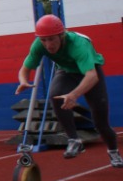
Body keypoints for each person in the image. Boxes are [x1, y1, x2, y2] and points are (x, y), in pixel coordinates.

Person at [16, 14, 122, 167]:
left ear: (62, 35)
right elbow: (24, 69)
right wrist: (24, 80)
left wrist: (74, 95)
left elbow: (91, 76)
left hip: (90, 73)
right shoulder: (38, 44)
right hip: (67, 72)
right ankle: (74, 140)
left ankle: (113, 152)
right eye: (44, 40)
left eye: (52, 39)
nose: (48, 45)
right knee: (55, 95)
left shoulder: (78, 44)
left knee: (100, 123)